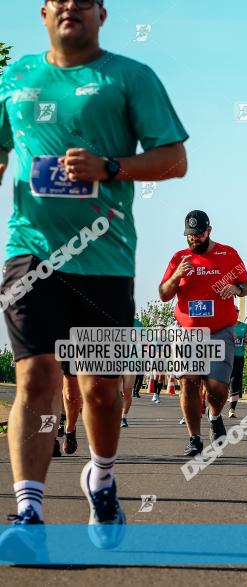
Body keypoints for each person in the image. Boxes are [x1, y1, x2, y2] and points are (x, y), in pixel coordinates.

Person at [0, 0, 188, 555]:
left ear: (101, 14)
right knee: (36, 377)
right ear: (42, 11)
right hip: (29, 253)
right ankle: (29, 512)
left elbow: (173, 158)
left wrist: (110, 167)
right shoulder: (15, 77)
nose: (69, 7)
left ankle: (101, 479)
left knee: (101, 392)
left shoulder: (130, 77)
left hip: (103, 259)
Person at [159, 210, 247, 457]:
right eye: (189, 236)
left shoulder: (228, 254)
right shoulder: (179, 258)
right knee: (188, 383)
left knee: (217, 388)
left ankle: (215, 415)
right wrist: (177, 275)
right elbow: (164, 294)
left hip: (220, 331)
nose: (193, 240)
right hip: (188, 333)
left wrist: (236, 288)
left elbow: (246, 284)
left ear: (209, 230)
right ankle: (194, 438)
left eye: (198, 235)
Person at [120, 317, 145, 428]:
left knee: (127, 391)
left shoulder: (138, 325)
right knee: (115, 391)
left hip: (131, 362)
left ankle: (123, 417)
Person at [227, 319, 247, 418]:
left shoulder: (244, 326)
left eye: (237, 311)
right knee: (226, 381)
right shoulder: (226, 325)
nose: (235, 313)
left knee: (235, 381)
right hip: (226, 357)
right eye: (233, 311)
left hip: (239, 357)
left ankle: (232, 408)